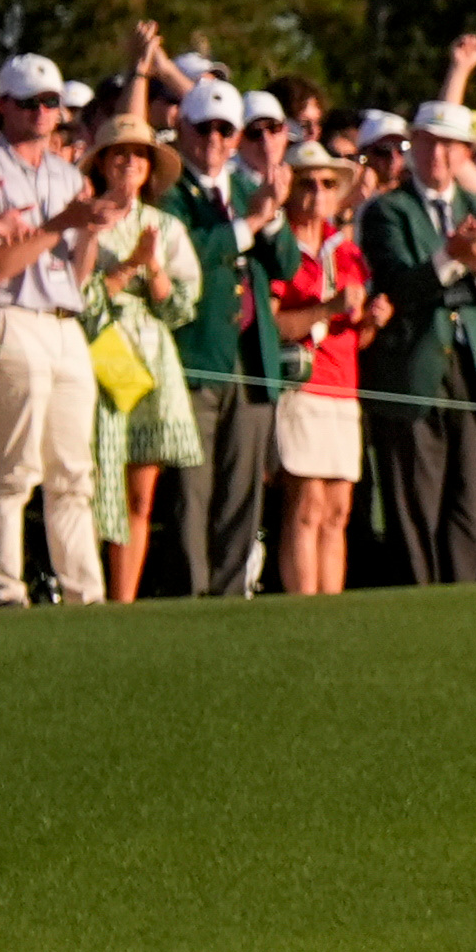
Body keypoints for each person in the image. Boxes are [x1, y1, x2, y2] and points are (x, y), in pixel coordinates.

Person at [0, 54, 109, 605]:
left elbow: (77, 271)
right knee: (16, 466)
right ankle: (4, 590)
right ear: (4, 107)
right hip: (6, 315)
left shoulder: (68, 174)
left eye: (52, 103)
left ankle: (85, 592)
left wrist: (91, 226)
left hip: (63, 321)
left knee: (74, 469)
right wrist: (59, 225)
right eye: (31, 103)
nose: (44, 113)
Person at [356, 99, 476, 591]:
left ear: (464, 153)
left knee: (465, 504)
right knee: (414, 505)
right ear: (412, 145)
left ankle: (460, 605)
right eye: (428, 142)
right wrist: (450, 259)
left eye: (448, 145)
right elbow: (397, 285)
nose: (437, 154)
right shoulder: (387, 210)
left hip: (469, 368)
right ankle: (417, 606)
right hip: (412, 369)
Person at [79, 99, 201, 602]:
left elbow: (182, 309)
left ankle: (124, 599)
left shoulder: (167, 227)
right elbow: (78, 298)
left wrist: (153, 270)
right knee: (95, 483)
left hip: (151, 359)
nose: (129, 164)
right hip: (98, 354)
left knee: (139, 492)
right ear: (103, 163)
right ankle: (90, 588)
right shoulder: (83, 220)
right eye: (119, 155)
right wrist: (128, 265)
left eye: (138, 156)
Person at [167, 71, 284, 594]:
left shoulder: (242, 187)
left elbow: (284, 264)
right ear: (184, 131)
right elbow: (187, 252)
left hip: (249, 356)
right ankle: (193, 590)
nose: (213, 140)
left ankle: (232, 590)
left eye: (224, 130)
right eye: (203, 129)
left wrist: (271, 216)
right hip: (198, 352)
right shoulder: (172, 190)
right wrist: (248, 226)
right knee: (194, 487)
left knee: (241, 487)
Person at [265, 152, 368, 595]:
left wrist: (372, 321)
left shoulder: (346, 250)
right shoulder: (281, 245)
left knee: (339, 508)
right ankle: (304, 605)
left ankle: (332, 605)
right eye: (307, 183)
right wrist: (326, 309)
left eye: (327, 185)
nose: (317, 194)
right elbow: (272, 327)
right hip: (302, 385)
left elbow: (356, 336)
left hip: (345, 386)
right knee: (306, 504)